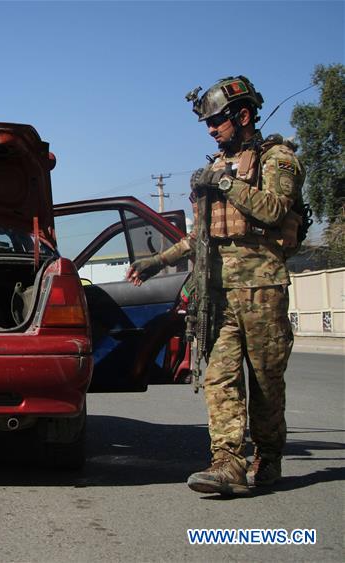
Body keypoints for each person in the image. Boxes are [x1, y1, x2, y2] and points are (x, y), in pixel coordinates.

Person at [126, 76, 306, 495]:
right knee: (219, 378)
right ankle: (226, 462)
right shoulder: (215, 167)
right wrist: (157, 261)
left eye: (217, 121)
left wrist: (224, 183)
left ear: (242, 116)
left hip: (263, 289)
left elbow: (275, 209)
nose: (211, 130)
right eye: (207, 124)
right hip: (219, 293)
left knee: (265, 384)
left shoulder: (277, 159)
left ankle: (268, 457)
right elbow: (201, 238)